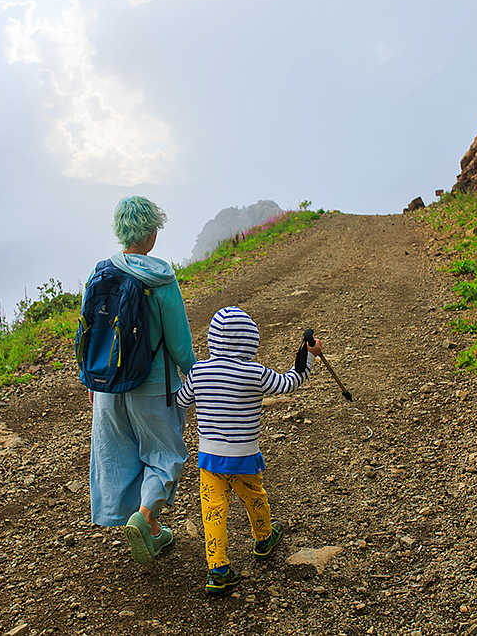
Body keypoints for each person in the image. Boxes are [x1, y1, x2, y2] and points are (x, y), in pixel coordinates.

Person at [175, 306, 323, 594]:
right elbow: (288, 383)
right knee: (255, 498)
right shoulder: (254, 373)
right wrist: (308, 358)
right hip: (242, 458)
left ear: (212, 339)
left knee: (213, 512)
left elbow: (181, 401)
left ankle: (218, 570)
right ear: (249, 341)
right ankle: (264, 539)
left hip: (209, 460)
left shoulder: (199, 371)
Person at [84, 196, 196, 567]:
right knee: (165, 453)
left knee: (118, 453)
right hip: (151, 384)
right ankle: (145, 517)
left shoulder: (101, 272)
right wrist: (195, 375)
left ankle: (150, 530)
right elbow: (179, 342)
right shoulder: (161, 278)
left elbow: (93, 333)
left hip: (107, 383)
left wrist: (92, 381)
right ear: (151, 232)